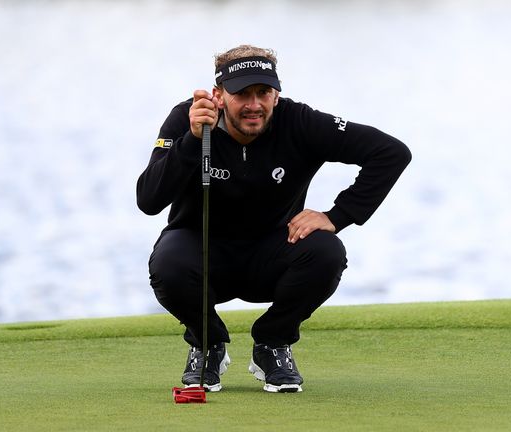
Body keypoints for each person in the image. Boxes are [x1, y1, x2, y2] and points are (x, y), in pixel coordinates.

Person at [136, 45, 411, 393]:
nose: (254, 104)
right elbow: (149, 200)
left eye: (263, 92)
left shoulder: (299, 121)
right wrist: (191, 141)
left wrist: (338, 215)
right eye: (242, 94)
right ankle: (207, 343)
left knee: (326, 251)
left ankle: (272, 343)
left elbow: (390, 152)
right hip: (201, 251)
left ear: (276, 95)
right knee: (167, 261)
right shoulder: (188, 120)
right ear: (219, 96)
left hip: (273, 254)